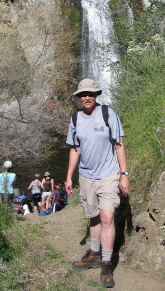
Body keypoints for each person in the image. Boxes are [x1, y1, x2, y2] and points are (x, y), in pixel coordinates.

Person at [65, 79, 129, 289]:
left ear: (96, 94)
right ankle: (93, 254)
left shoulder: (108, 113)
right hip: (86, 176)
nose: (87, 97)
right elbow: (75, 149)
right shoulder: (75, 118)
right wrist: (68, 177)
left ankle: (106, 263)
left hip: (109, 174)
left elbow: (119, 145)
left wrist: (124, 174)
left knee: (107, 216)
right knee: (93, 217)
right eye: (83, 94)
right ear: (79, 96)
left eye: (91, 93)